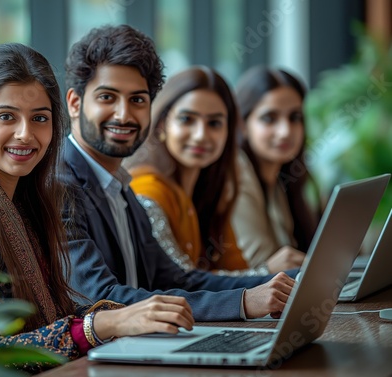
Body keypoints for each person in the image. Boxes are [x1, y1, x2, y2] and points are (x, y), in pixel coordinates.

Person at [0, 43, 195, 374]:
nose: (25, 134)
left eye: (39, 118)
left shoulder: (29, 202)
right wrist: (105, 324)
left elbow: (52, 314)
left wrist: (132, 316)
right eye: (7, 117)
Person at [59, 24, 296, 323]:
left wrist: (291, 279)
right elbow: (103, 299)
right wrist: (244, 302)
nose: (123, 114)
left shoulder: (120, 187)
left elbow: (180, 281)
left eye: (137, 100)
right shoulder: (60, 186)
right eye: (107, 97)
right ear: (75, 103)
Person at [124, 66, 271, 276]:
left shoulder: (211, 191)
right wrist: (268, 271)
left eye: (214, 123)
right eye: (186, 119)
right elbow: (180, 281)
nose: (201, 135)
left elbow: (235, 267)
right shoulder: (147, 190)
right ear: (162, 125)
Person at [232, 66, 321, 272]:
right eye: (269, 118)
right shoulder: (237, 173)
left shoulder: (283, 178)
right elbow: (261, 266)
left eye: (294, 117)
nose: (285, 131)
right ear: (243, 124)